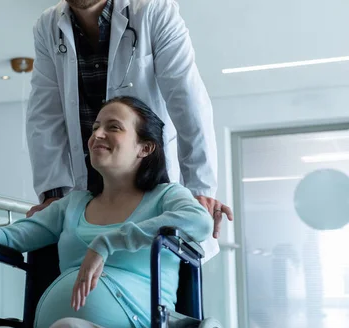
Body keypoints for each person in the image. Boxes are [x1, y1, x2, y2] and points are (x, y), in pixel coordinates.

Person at [0, 96, 213, 328]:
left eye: (113, 127)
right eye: (96, 127)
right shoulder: (74, 203)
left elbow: (198, 221)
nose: (97, 134)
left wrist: (111, 241)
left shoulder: (165, 196)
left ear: (145, 147)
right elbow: (19, 235)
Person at [25, 0, 232, 239]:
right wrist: (54, 194)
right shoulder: (47, 26)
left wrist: (199, 189)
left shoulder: (154, 11)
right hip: (89, 194)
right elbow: (44, 116)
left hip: (152, 185)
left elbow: (188, 103)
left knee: (149, 263)